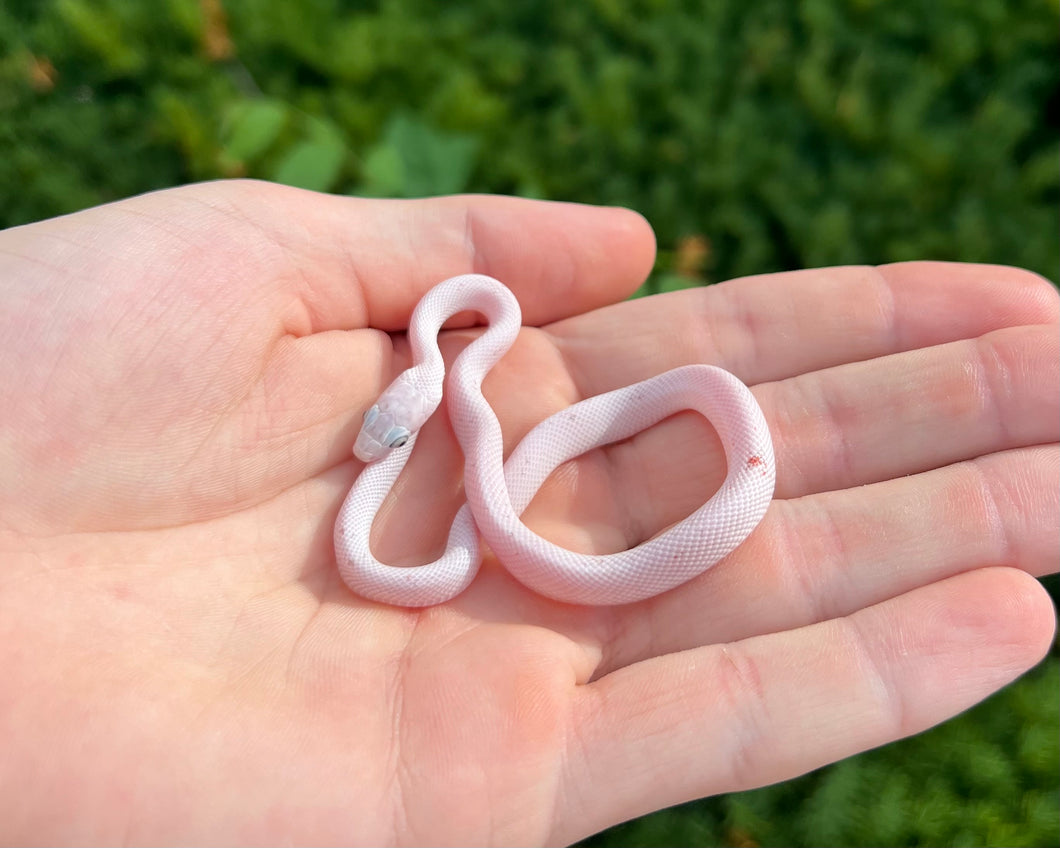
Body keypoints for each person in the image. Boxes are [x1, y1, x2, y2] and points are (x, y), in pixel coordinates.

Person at [0, 180, 1055, 845]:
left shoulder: (460, 357)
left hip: (501, 437)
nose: (379, 442)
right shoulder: (440, 386)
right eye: (384, 433)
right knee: (480, 525)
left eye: (388, 432)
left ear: (408, 394)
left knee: (491, 516)